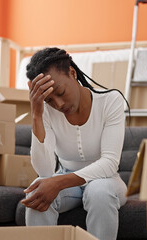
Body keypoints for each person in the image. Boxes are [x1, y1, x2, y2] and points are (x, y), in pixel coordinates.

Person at [21, 47, 128, 240]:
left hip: (107, 181)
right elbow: (44, 171)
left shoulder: (110, 101)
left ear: (72, 73)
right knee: (37, 190)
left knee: (99, 192)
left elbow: (110, 162)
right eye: (49, 100)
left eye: (60, 92)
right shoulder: (46, 112)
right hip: (68, 186)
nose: (59, 104)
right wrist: (37, 114)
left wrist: (58, 182)